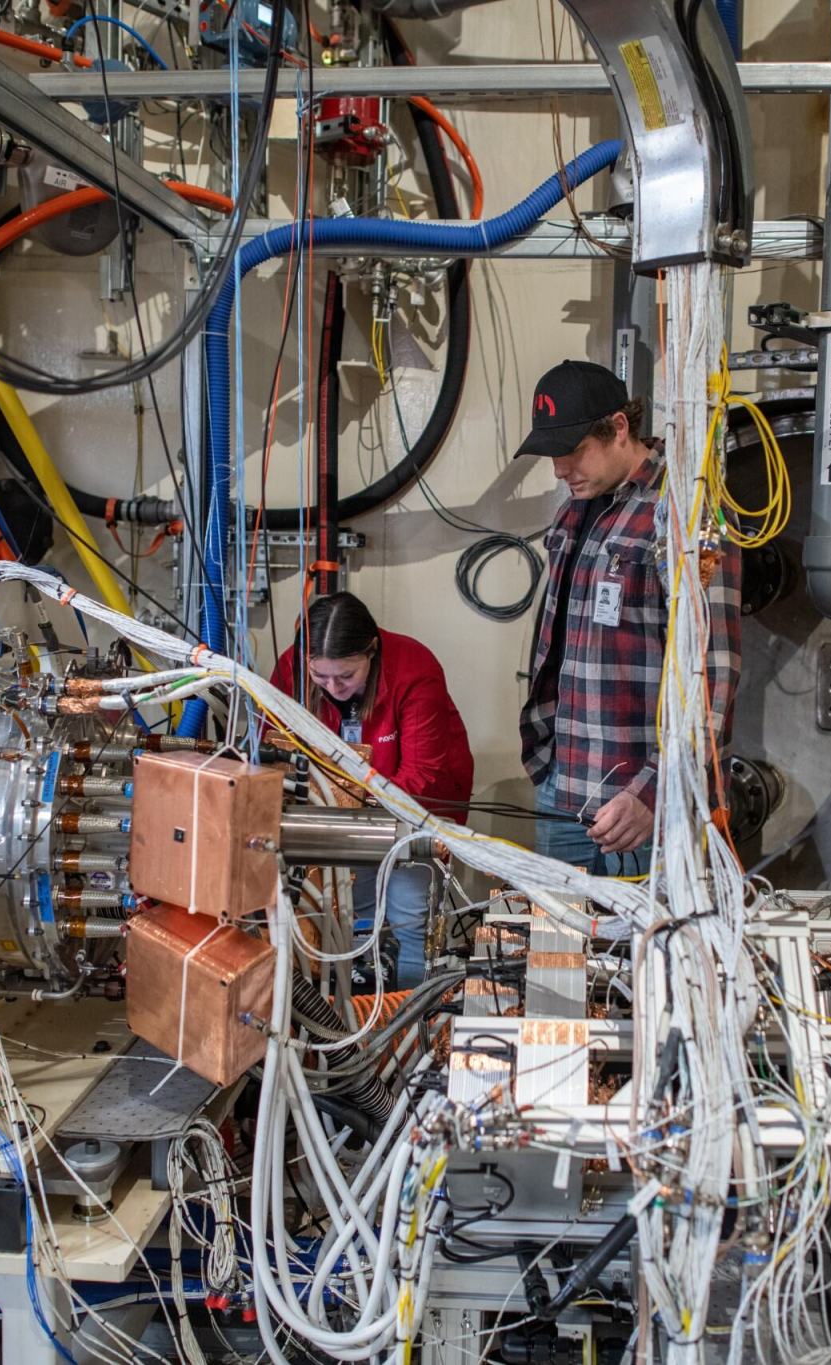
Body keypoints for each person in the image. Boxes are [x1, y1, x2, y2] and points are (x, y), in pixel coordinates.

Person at [515, 360, 741, 875]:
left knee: (643, 952)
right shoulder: (572, 512)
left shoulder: (685, 510)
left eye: (572, 452)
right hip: (563, 784)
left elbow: (714, 674)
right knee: (558, 945)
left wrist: (655, 791)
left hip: (640, 806)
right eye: (553, 454)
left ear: (619, 428)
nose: (558, 469)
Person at [269, 592, 474, 986]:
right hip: (338, 818)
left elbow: (423, 774)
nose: (333, 687)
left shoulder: (414, 668)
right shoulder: (292, 668)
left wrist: (342, 801)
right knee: (352, 918)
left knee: (410, 918)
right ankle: (361, 1017)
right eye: (320, 677)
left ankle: (412, 1023)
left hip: (415, 813)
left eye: (346, 676)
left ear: (372, 651)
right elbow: (272, 749)